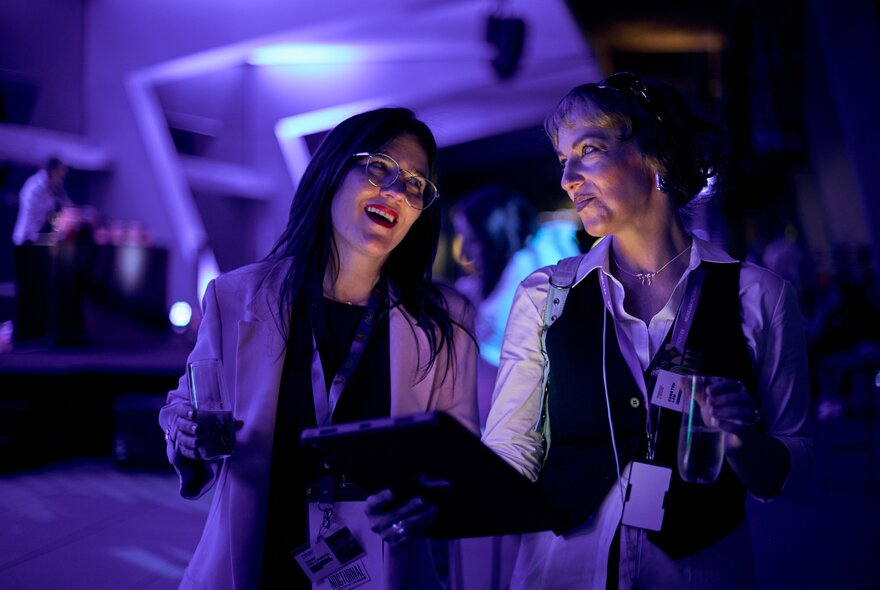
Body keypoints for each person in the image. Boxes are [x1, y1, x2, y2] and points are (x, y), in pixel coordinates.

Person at [481, 72, 813, 589]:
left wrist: (743, 442)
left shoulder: (761, 295)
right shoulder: (546, 294)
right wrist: (449, 497)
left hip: (700, 571)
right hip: (563, 570)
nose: (567, 177)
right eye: (562, 160)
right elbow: (511, 449)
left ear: (654, 155)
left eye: (588, 150)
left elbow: (789, 462)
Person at [158, 107, 479, 589]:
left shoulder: (444, 321)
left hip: (381, 568)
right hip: (256, 561)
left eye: (415, 184)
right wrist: (184, 431)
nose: (395, 190)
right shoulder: (236, 296)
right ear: (332, 169)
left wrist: (433, 500)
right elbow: (190, 403)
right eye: (379, 167)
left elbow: (457, 458)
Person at [11, 156, 73, 245]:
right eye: (60, 174)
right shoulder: (35, 187)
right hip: (26, 240)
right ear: (53, 171)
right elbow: (36, 215)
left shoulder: (54, 186)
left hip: (36, 238)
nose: (61, 179)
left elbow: (67, 205)